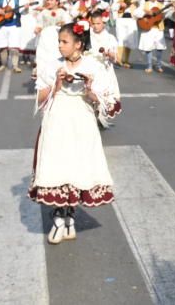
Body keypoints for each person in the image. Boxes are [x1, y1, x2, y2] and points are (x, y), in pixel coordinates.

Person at [29, 22, 119, 244]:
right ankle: (60, 218)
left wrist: (90, 90)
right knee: (57, 166)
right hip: (57, 119)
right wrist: (57, 85)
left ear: (78, 44)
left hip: (82, 120)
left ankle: (69, 217)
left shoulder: (94, 66)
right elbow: (40, 98)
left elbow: (108, 101)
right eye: (59, 41)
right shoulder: (51, 66)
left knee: (77, 167)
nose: (60, 46)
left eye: (64, 42)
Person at [89, 11, 122, 128]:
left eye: (98, 23)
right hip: (90, 70)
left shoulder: (110, 38)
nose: (95, 26)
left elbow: (116, 57)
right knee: (90, 94)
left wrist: (111, 54)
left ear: (103, 23)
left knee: (104, 96)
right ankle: (91, 117)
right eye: (93, 23)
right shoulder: (87, 36)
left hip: (104, 70)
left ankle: (100, 117)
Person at [34, 0, 68, 82]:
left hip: (58, 40)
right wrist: (37, 29)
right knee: (45, 59)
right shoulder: (43, 13)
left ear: (57, 2)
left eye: (51, 0)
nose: (49, 2)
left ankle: (57, 80)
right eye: (48, 0)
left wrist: (63, 24)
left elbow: (68, 24)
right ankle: (44, 80)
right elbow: (39, 24)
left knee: (57, 59)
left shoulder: (62, 12)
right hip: (46, 39)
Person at [136, 0, 167, 74]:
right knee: (148, 47)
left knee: (160, 48)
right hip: (148, 28)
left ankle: (159, 65)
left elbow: (166, 15)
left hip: (158, 28)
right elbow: (136, 13)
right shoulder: (144, 4)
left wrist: (165, 13)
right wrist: (146, 12)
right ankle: (149, 66)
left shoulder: (161, 5)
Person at [112, 0, 140, 68]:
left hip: (131, 19)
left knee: (129, 40)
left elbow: (140, 6)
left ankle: (126, 60)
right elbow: (113, 6)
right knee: (120, 38)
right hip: (121, 18)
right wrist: (120, 4)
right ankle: (119, 59)